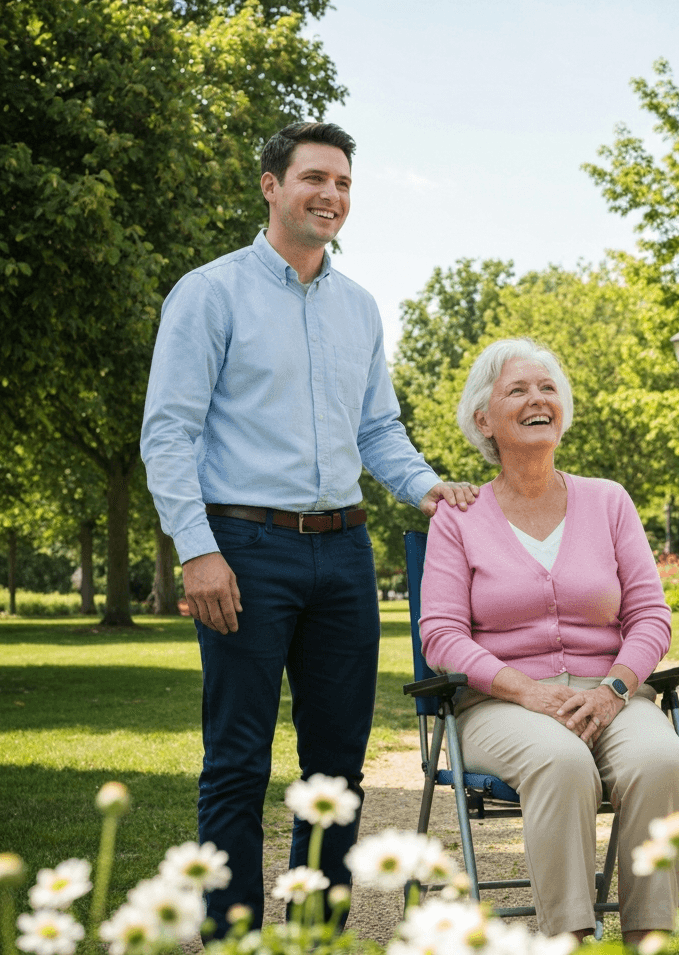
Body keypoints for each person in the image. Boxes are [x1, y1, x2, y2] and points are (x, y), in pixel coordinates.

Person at [140, 122, 477, 932]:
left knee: (336, 769)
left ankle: (315, 939)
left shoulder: (359, 308)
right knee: (237, 762)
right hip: (244, 550)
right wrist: (198, 551)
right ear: (271, 185)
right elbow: (169, 432)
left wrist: (431, 490)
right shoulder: (210, 292)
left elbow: (377, 431)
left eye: (344, 184)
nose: (332, 196)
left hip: (344, 553)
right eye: (315, 179)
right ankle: (233, 938)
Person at [419, 338, 679, 943]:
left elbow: (651, 615)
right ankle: (565, 936)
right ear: (483, 419)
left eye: (547, 389)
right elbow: (440, 635)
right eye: (517, 389)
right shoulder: (458, 518)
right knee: (562, 761)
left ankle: (650, 937)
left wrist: (615, 689)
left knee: (661, 759)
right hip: (501, 706)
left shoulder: (608, 500)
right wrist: (529, 693)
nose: (538, 399)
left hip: (609, 694)